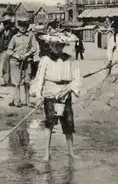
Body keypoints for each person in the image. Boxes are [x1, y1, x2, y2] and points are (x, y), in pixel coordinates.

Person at [30, 32, 81, 162]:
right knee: (49, 123)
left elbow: (76, 78)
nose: (57, 48)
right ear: (51, 45)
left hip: (65, 92)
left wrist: (68, 89)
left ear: (63, 45)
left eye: (60, 45)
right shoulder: (45, 59)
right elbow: (40, 78)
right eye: (55, 45)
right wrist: (38, 95)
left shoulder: (70, 59)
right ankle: (46, 153)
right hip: (50, 92)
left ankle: (71, 152)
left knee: (68, 123)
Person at [7, 17, 38, 107]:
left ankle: (27, 101)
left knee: (27, 81)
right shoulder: (14, 37)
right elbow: (9, 51)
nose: (23, 27)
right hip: (15, 62)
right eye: (21, 25)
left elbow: (34, 48)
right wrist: (16, 56)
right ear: (18, 26)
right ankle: (18, 101)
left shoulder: (31, 35)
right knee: (17, 82)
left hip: (27, 61)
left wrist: (27, 55)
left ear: (27, 26)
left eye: (24, 25)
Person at [0, 15, 18, 87]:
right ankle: (6, 81)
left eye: (7, 23)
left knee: (12, 66)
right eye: (4, 23)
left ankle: (13, 82)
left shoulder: (13, 32)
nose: (6, 25)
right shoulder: (2, 32)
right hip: (4, 51)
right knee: (5, 66)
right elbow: (0, 42)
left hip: (12, 51)